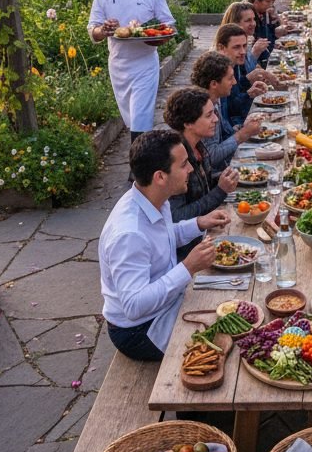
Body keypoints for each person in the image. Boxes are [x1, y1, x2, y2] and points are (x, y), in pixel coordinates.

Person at [99, 129, 231, 361]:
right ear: (160, 176)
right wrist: (188, 267)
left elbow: (163, 237)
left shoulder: (153, 199)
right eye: (183, 165)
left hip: (164, 305)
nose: (191, 168)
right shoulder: (129, 233)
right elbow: (134, 305)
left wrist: (198, 223)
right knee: (230, 340)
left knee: (232, 302)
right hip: (140, 330)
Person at [88, 0, 174, 146]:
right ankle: (144, 161)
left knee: (140, 119)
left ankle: (137, 172)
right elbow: (93, 30)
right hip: (118, 66)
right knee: (130, 118)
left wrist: (149, 35)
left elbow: (168, 26)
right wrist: (104, 30)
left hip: (144, 65)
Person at [163, 87, 240, 242]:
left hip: (205, 231)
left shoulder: (198, 145)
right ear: (188, 123)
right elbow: (177, 217)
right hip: (190, 244)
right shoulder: (177, 159)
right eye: (209, 115)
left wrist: (226, 177)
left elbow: (203, 182)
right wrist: (220, 191)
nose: (216, 119)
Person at [190, 51, 262, 172]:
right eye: (230, 78)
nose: (234, 82)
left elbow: (225, 134)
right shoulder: (203, 110)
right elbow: (210, 157)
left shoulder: (217, 99)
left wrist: (243, 127)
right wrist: (242, 134)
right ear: (214, 84)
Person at [216, 23, 268, 127]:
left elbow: (233, 101)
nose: (243, 52)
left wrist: (249, 93)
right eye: (236, 47)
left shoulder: (234, 64)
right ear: (221, 48)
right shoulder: (218, 72)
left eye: (244, 46)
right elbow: (229, 112)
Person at [246, 0, 277, 65]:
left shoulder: (262, 15)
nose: (270, 5)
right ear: (256, 2)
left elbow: (267, 41)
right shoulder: (251, 20)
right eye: (267, 1)